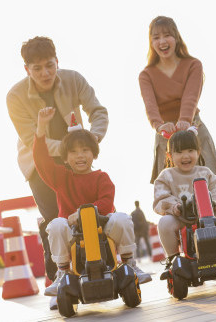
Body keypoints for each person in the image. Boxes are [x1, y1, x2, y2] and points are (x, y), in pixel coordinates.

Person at [6, 36, 109, 301]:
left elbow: (98, 111)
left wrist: (92, 139)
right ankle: (57, 279)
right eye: (37, 68)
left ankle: (97, 269)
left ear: (57, 61)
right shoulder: (15, 96)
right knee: (54, 219)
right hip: (39, 163)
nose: (45, 73)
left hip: (77, 160)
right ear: (27, 69)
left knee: (88, 215)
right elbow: (33, 141)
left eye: (50, 65)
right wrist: (71, 147)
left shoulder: (74, 79)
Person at [33, 107, 152, 304]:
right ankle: (62, 272)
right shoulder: (61, 178)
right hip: (74, 235)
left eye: (85, 150)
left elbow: (106, 204)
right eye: (73, 152)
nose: (80, 156)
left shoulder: (101, 177)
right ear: (65, 158)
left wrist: (80, 213)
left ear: (94, 153)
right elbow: (41, 161)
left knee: (121, 217)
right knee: (55, 225)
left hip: (102, 230)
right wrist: (41, 128)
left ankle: (129, 263)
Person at [139, 16, 216, 184]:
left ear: (176, 37)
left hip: (193, 127)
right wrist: (159, 125)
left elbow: (190, 97)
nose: (162, 41)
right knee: (172, 187)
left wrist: (184, 120)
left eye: (167, 35)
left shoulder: (193, 65)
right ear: (151, 43)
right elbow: (150, 106)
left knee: (207, 185)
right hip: (166, 133)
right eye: (156, 38)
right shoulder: (146, 75)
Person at [152, 129, 216, 278]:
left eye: (190, 150)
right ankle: (173, 258)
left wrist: (215, 202)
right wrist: (174, 207)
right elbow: (161, 197)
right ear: (169, 155)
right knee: (164, 222)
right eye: (179, 152)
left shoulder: (205, 172)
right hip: (181, 217)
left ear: (198, 152)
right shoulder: (166, 175)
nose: (185, 156)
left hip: (209, 214)